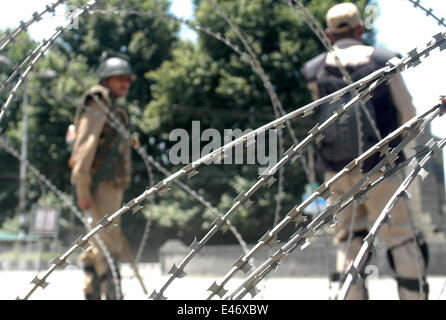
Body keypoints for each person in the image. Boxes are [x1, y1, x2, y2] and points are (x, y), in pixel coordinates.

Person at [301, 2, 429, 300]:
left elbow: (322, 116)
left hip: (337, 171)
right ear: (360, 29)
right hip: (382, 166)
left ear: (329, 35)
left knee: (348, 240)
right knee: (400, 237)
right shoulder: (385, 60)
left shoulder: (315, 69)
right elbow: (408, 115)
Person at [70, 52, 135, 300]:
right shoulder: (99, 101)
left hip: (109, 184)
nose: (125, 84)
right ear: (106, 80)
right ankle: (112, 295)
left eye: (128, 80)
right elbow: (85, 147)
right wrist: (83, 189)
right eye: (120, 79)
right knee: (108, 245)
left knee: (97, 244)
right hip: (100, 185)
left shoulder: (112, 106)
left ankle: (93, 294)